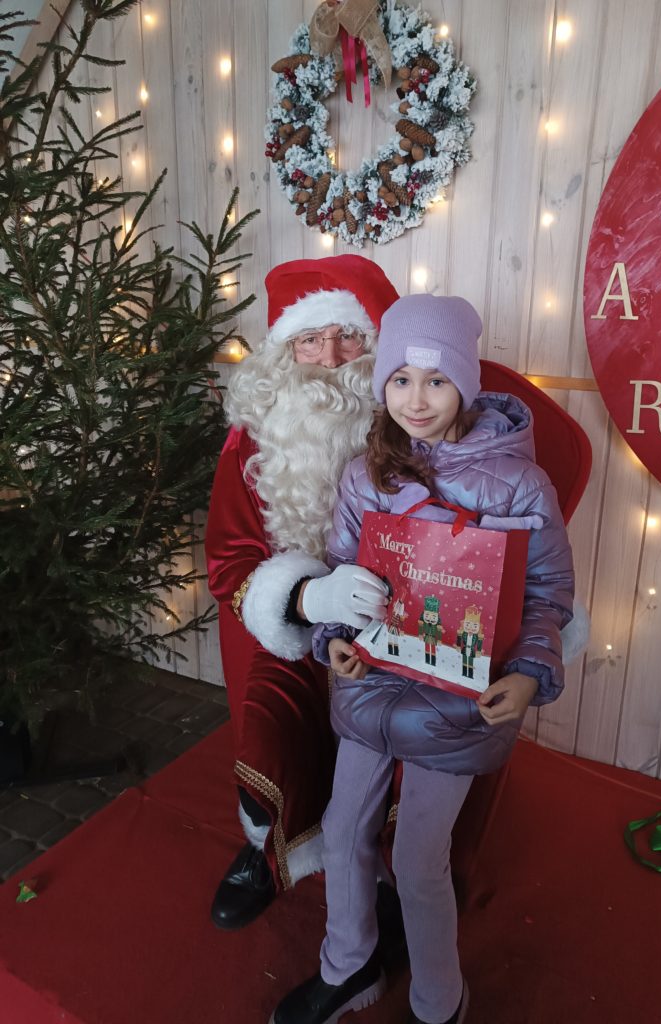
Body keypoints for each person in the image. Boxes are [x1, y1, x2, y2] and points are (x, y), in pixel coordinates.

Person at [269, 294, 575, 1024]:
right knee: (343, 832)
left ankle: (441, 1001)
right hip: (372, 685)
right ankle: (347, 966)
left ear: (465, 381)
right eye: (401, 379)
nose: (416, 399)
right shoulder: (364, 475)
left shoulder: (519, 484)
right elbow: (343, 571)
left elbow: (548, 594)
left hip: (456, 700)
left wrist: (527, 673)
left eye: (436, 380)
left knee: (416, 859)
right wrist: (333, 637)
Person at [205, 254, 398, 929]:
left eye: (348, 337)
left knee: (401, 721)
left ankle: (394, 866)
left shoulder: (407, 420)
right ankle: (270, 844)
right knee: (272, 719)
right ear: (284, 352)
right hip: (283, 629)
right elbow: (228, 562)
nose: (330, 357)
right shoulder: (249, 441)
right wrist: (308, 600)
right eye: (311, 339)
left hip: (387, 620)